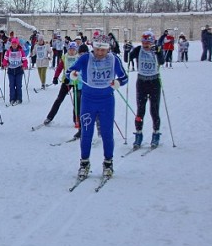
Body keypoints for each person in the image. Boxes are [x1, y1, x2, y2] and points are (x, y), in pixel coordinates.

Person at [66, 34, 128, 178]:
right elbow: (70, 71)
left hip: (106, 101)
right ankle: (84, 163)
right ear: (93, 47)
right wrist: (73, 74)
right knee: (86, 133)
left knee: (107, 133)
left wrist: (118, 82)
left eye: (103, 50)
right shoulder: (85, 58)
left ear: (108, 49)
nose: (100, 53)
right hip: (88, 101)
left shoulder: (114, 59)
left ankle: (108, 163)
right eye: (97, 49)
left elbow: (124, 77)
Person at [130, 31, 165, 149]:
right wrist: (127, 50)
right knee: (140, 110)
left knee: (154, 110)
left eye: (148, 43)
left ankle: (156, 133)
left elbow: (162, 61)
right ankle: (138, 134)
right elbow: (127, 58)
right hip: (141, 82)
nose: (146, 45)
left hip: (154, 81)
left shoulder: (156, 49)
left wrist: (159, 52)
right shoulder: (138, 49)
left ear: (152, 42)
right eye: (144, 42)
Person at [45, 42, 83, 138]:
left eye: (73, 49)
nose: (71, 51)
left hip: (77, 81)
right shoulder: (64, 57)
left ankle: (76, 120)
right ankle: (49, 117)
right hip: (66, 81)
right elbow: (59, 68)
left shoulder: (79, 57)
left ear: (76, 50)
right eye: (70, 49)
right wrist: (55, 77)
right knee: (59, 99)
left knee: (77, 101)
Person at [2, 38, 28, 105]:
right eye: (13, 44)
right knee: (12, 85)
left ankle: (19, 98)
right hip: (11, 70)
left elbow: (24, 59)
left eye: (15, 44)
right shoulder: (8, 51)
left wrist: (24, 65)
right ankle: (12, 99)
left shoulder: (21, 51)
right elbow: (5, 59)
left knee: (18, 85)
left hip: (19, 70)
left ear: (17, 44)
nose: (14, 45)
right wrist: (5, 64)